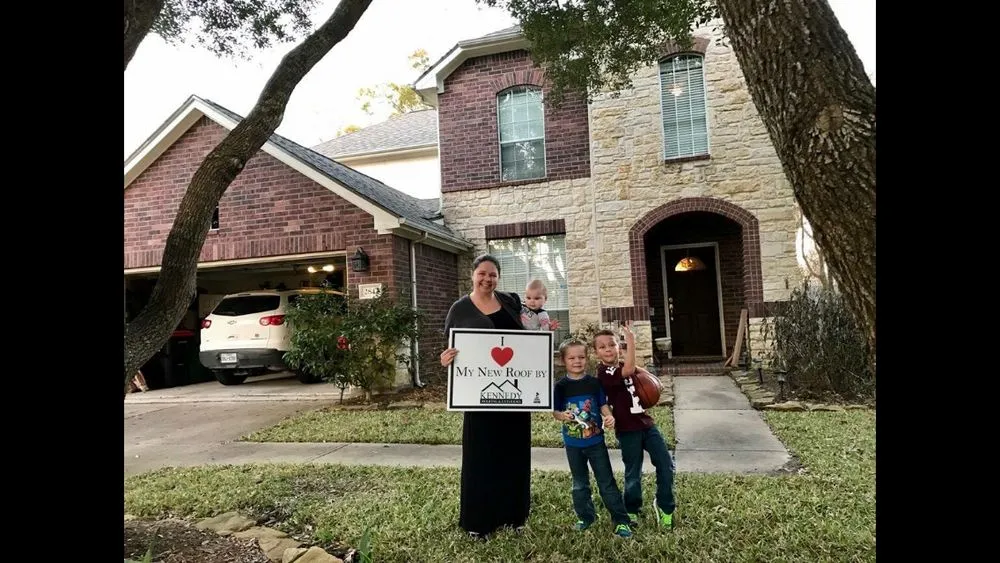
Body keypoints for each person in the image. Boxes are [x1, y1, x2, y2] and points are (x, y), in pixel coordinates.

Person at [440, 254, 531, 538]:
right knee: (481, 457)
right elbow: (451, 347)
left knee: (514, 455)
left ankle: (513, 517)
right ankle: (478, 523)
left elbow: (526, 339)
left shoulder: (510, 302)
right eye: (482, 273)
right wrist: (446, 360)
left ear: (498, 277)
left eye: (492, 275)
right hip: (479, 396)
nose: (487, 279)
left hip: (515, 393)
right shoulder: (460, 309)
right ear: (473, 275)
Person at [595, 321, 677, 529]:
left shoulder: (624, 366)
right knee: (633, 471)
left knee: (666, 464)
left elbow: (641, 374)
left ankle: (665, 506)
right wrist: (630, 341)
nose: (608, 349)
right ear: (596, 352)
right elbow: (630, 368)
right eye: (602, 346)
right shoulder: (603, 373)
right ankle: (631, 509)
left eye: (611, 345)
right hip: (627, 429)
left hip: (647, 425)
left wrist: (651, 385)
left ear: (616, 347)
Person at [552, 338, 633, 538]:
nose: (577, 361)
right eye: (572, 358)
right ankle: (586, 517)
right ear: (563, 361)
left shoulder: (594, 383)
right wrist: (562, 415)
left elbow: (603, 404)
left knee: (606, 482)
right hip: (573, 444)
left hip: (596, 442)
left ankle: (621, 520)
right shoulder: (560, 386)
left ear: (587, 359)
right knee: (580, 483)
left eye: (581, 357)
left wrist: (609, 416)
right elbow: (555, 412)